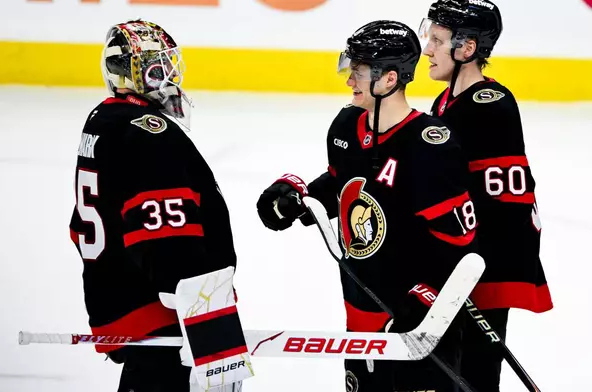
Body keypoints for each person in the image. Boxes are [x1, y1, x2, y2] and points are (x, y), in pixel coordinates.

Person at [257, 20, 478, 392]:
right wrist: (299, 196)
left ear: (389, 79)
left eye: (357, 72)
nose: (349, 82)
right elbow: (344, 182)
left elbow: (460, 240)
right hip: (360, 309)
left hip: (420, 325)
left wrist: (424, 300)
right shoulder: (345, 126)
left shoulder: (429, 146)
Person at [68, 20, 239, 392]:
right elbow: (167, 238)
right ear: (129, 73)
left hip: (120, 298)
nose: (170, 74)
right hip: (166, 317)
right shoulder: (148, 134)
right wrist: (210, 332)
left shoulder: (104, 118)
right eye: (157, 65)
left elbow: (83, 225)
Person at [418, 1, 554, 390]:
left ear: (467, 49)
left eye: (437, 41)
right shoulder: (447, 101)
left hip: (482, 263)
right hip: (462, 258)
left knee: (474, 374)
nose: (427, 49)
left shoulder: (488, 105)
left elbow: (506, 200)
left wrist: (468, 264)